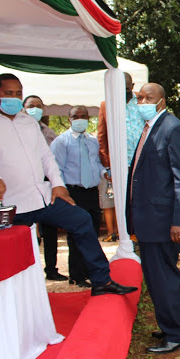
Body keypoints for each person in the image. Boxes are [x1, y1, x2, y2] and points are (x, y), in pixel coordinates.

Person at [0, 73, 136, 298]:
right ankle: (8, 298)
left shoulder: (28, 122)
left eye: (18, 93)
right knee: (8, 251)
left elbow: (46, 157)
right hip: (11, 202)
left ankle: (101, 279)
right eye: (8, 93)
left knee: (81, 219)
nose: (14, 98)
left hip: (41, 197)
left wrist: (58, 185)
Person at [126, 83, 180, 354]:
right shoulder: (150, 127)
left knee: (164, 277)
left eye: (148, 97)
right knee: (155, 278)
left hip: (164, 221)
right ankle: (169, 326)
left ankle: (176, 334)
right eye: (139, 97)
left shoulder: (172, 127)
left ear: (162, 101)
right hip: (148, 218)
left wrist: (179, 221)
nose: (142, 101)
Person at [50, 106, 107, 287]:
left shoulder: (92, 141)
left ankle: (89, 271)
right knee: (76, 235)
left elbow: (96, 164)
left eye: (83, 116)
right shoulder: (61, 142)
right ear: (69, 119)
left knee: (92, 232)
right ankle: (77, 275)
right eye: (76, 116)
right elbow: (56, 169)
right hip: (73, 192)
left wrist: (105, 173)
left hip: (91, 192)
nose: (79, 119)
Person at [24, 94, 67, 279]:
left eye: (38, 106)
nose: (35, 109)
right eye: (31, 105)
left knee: (49, 232)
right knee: (28, 232)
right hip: (24, 189)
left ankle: (51, 270)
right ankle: (30, 274)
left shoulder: (49, 133)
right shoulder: (16, 132)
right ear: (24, 108)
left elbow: (52, 160)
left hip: (47, 188)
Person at [98, 72, 144, 243]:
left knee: (141, 198)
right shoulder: (106, 105)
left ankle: (139, 233)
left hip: (141, 161)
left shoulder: (142, 101)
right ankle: (126, 235)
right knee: (123, 201)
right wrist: (108, 165)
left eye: (126, 88)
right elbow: (102, 137)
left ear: (132, 87)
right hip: (119, 165)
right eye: (120, 89)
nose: (124, 92)